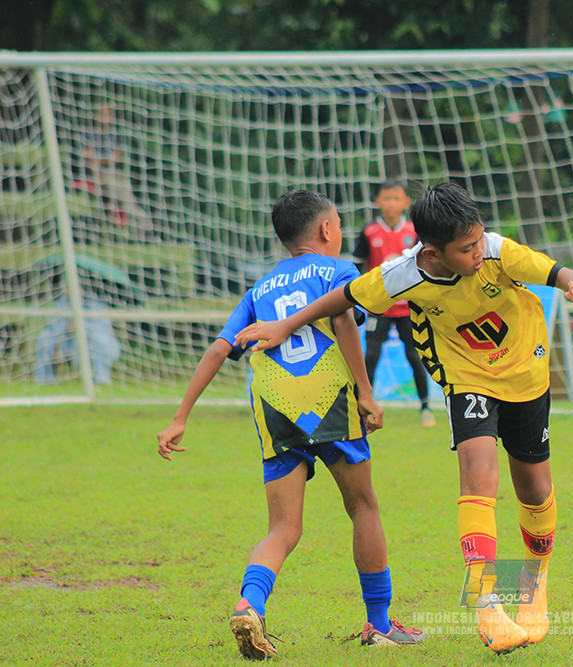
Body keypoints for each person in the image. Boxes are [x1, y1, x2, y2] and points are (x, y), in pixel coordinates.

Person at [234, 181, 573, 654]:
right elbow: (342, 298)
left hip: (527, 376)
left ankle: (533, 583)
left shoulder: (496, 250)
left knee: (534, 489)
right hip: (468, 380)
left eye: (478, 241)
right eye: (465, 248)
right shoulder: (402, 275)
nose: (476, 252)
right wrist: (288, 323)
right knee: (478, 475)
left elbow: (556, 272)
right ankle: (488, 605)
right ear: (432, 251)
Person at [156, 190, 425, 658]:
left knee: (283, 527)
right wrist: (365, 391)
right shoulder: (339, 270)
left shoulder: (258, 290)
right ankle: (379, 624)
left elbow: (221, 348)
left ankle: (249, 603)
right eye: (338, 225)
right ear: (325, 230)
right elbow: (343, 317)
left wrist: (181, 417)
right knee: (363, 507)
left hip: (275, 404)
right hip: (328, 399)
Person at [353, 179, 435, 427]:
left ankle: (425, 408)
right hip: (378, 307)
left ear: (405, 203)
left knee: (414, 355)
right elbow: (358, 267)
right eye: (386, 198)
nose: (391, 203)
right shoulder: (369, 232)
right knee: (372, 356)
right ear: (377, 201)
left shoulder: (413, 231)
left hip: (407, 306)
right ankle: (364, 404)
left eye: (396, 198)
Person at [83, 105, 153, 240]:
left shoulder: (114, 135)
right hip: (97, 174)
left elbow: (116, 157)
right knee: (119, 193)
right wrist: (103, 161)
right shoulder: (89, 134)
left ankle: (143, 226)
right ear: (97, 117)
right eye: (103, 115)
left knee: (127, 193)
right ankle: (142, 225)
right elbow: (89, 157)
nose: (106, 119)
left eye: (108, 116)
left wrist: (102, 159)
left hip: (114, 172)